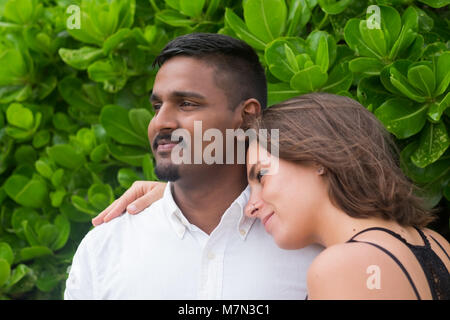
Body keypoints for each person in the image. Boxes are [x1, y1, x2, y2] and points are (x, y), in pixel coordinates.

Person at [96, 93, 450, 300]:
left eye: (261, 176)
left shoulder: (343, 266)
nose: (251, 204)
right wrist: (187, 197)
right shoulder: (435, 247)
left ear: (318, 159)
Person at [64, 33, 322, 300]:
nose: (160, 122)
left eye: (186, 104)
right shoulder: (104, 249)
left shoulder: (312, 243)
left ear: (247, 116)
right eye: (156, 106)